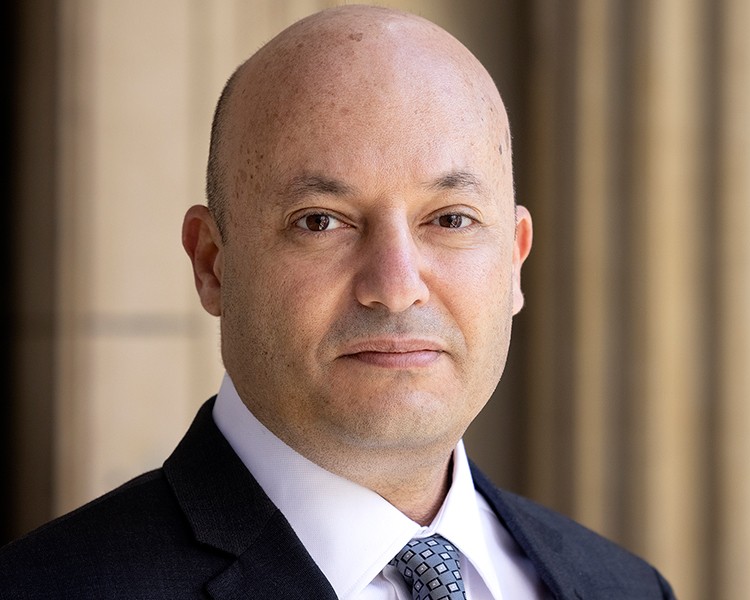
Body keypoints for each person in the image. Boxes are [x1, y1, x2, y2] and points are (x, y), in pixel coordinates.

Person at [0, 5, 675, 599]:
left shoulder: (626, 586)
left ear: (514, 259)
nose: (395, 284)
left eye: (450, 219)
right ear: (213, 264)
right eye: (320, 220)